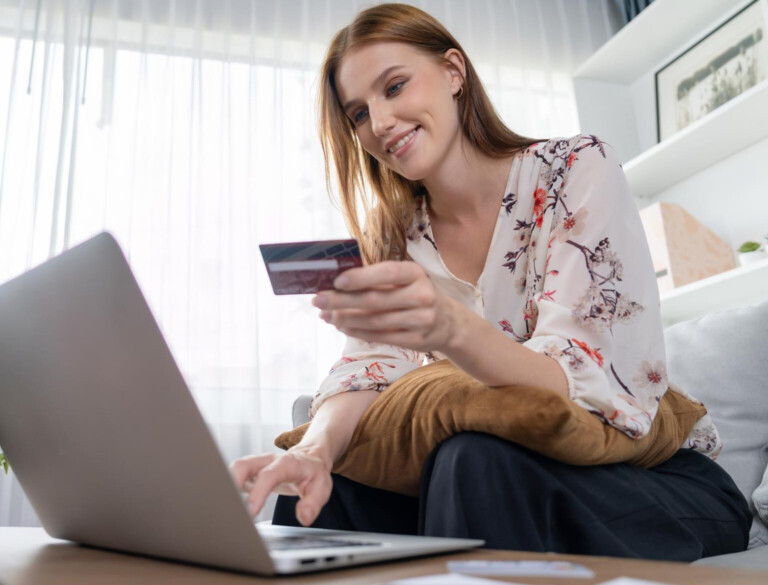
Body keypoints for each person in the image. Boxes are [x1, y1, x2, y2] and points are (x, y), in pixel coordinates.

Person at [229, 3, 752, 561]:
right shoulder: (397, 236)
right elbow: (369, 364)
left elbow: (587, 384)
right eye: (358, 114)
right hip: (504, 477)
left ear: (454, 72)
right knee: (326, 492)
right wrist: (313, 452)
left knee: (471, 459)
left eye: (395, 86)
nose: (379, 123)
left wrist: (453, 330)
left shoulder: (576, 169)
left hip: (657, 479)